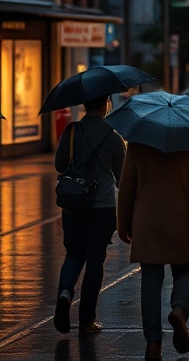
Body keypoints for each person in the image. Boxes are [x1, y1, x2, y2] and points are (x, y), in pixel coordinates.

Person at [117, 143, 189, 360]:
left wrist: (123, 225)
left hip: (146, 225)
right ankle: (179, 311)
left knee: (151, 280)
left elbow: (126, 189)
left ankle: (153, 343)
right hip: (179, 223)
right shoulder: (188, 148)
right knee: (185, 271)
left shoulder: (137, 147)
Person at [52, 96, 126, 335]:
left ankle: (65, 293)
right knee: (95, 262)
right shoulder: (114, 138)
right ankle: (86, 321)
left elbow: (60, 164)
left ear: (84, 105)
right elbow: (122, 178)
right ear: (106, 105)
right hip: (102, 208)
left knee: (74, 254)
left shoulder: (72, 131)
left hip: (73, 205)